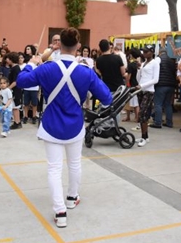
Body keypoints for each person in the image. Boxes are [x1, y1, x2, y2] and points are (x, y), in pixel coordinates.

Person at [17, 27, 112, 228]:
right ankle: (71, 198)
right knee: (75, 164)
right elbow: (107, 97)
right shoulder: (85, 71)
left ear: (59, 45)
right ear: (78, 46)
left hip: (51, 125)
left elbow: (22, 81)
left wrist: (31, 64)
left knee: (54, 168)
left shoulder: (46, 68)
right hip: (75, 125)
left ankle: (60, 211)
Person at [135, 45, 160, 147]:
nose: (144, 53)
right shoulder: (144, 63)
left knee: (142, 114)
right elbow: (139, 77)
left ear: (152, 52)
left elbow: (155, 80)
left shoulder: (155, 63)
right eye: (144, 52)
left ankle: (144, 137)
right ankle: (144, 136)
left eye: (147, 52)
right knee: (142, 115)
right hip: (141, 90)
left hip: (148, 91)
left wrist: (142, 85)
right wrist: (138, 69)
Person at [151, 49, 177, 128]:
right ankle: (169, 122)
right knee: (168, 104)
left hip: (160, 85)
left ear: (159, 53)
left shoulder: (158, 60)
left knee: (158, 104)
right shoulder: (171, 61)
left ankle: (158, 122)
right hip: (171, 85)